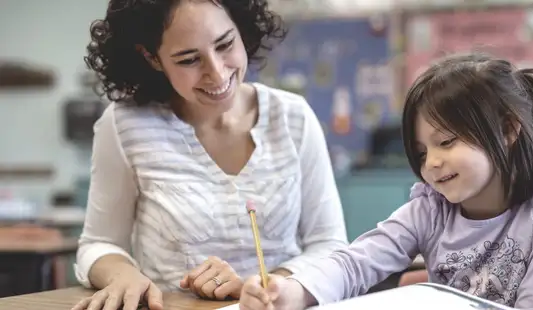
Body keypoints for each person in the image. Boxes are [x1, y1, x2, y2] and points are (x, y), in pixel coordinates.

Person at [239, 53, 533, 310]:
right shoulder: (431, 208)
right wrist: (293, 291)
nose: (432, 163)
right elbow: (355, 262)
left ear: (509, 129)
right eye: (421, 153)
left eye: (447, 142)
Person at [71, 1, 349, 310]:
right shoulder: (125, 126)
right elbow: (99, 243)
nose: (216, 73)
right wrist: (123, 274)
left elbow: (330, 246)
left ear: (241, 29)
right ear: (152, 58)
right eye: (189, 60)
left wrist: (266, 285)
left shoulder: (293, 118)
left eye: (225, 44)